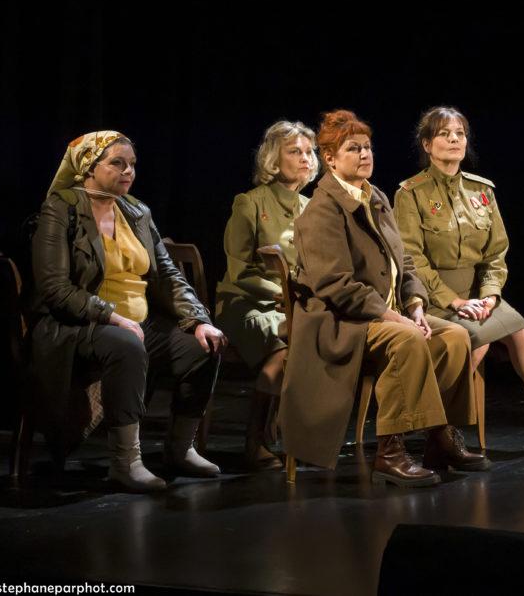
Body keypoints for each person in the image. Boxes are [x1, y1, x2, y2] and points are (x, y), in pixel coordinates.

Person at [279, 110, 489, 487]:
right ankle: (390, 453)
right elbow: (336, 286)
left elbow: (404, 260)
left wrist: (416, 305)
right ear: (330, 158)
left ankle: (439, 437)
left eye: (368, 147)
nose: (365, 154)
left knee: (454, 337)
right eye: (353, 148)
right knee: (407, 339)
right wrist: (397, 319)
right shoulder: (322, 210)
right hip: (340, 322)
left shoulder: (374, 196)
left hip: (384, 314)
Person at [31, 131, 228, 492]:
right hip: (78, 324)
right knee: (125, 344)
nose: (128, 172)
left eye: (132, 165)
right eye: (117, 163)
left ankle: (180, 449)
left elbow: (167, 275)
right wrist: (113, 316)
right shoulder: (61, 208)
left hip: (137, 323)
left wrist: (199, 320)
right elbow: (55, 289)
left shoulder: (136, 211)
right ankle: (126, 461)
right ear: (89, 166)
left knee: (204, 346)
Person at [393, 106, 524, 451]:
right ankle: (441, 426)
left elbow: (496, 253)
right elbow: (412, 261)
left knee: (520, 332)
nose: (454, 140)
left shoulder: (482, 191)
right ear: (427, 144)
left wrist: (490, 296)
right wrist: (456, 301)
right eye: (444, 134)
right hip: (434, 298)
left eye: (459, 133)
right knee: (477, 338)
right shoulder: (410, 194)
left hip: (479, 293)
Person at [216, 120, 318, 470]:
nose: (305, 158)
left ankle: (298, 437)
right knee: (283, 350)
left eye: (309, 152)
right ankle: (255, 441)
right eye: (295, 152)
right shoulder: (249, 203)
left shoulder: (312, 209)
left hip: (294, 305)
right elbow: (239, 270)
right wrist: (283, 294)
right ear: (275, 158)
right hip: (246, 302)